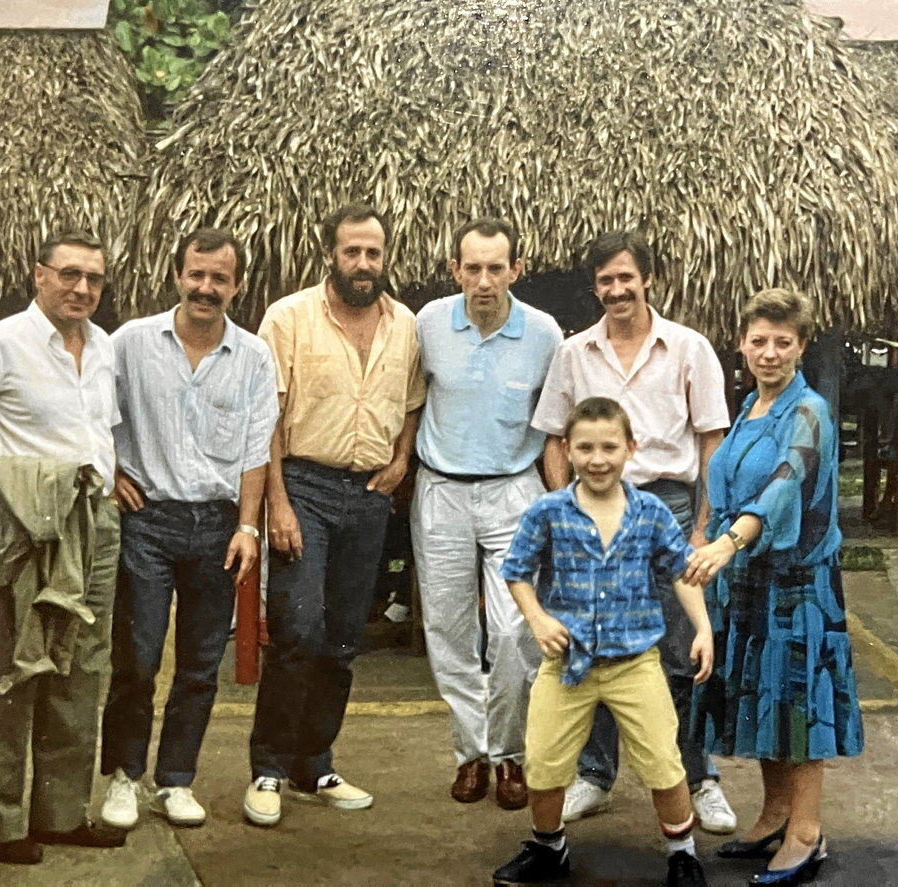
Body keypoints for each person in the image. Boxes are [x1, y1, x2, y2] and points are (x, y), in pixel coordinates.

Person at [530, 231, 735, 832]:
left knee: (679, 651)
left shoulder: (689, 348)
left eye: (626, 278)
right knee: (591, 644)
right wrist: (565, 510)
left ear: (647, 279)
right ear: (594, 287)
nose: (617, 290)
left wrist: (702, 526)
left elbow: (711, 444)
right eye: (605, 281)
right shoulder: (574, 354)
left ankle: (701, 780)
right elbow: (553, 438)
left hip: (667, 506)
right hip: (591, 510)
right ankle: (594, 777)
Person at [0, 231, 127, 864]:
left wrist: (110, 479)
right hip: (24, 525)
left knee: (80, 668)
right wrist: (16, 477)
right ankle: (0, 823)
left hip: (95, 526)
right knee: (14, 670)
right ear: (38, 274)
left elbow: (98, 432)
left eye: (94, 278)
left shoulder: (104, 348)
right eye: (69, 274)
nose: (82, 288)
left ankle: (61, 814)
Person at [243, 203, 426, 827]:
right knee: (297, 630)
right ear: (331, 252)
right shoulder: (289, 317)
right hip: (305, 485)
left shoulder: (403, 324)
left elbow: (410, 401)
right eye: (352, 252)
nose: (363, 264)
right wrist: (278, 504)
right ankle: (268, 768)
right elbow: (264, 416)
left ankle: (315, 764)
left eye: (373, 253)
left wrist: (401, 460)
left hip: (370, 495)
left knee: (344, 637)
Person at [98, 228, 277, 829]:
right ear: (177, 276)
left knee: (201, 665)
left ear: (237, 286)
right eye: (196, 275)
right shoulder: (130, 344)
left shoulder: (252, 356)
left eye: (219, 279)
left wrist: (248, 527)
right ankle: (124, 777)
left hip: (217, 526)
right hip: (147, 520)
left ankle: (176, 780)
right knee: (139, 659)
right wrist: (112, 471)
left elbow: (257, 449)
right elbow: (92, 410)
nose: (206, 288)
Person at [684, 288, 863, 886]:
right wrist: (709, 539)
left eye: (783, 343)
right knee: (764, 694)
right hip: (749, 579)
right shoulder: (748, 407)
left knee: (797, 702)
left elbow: (785, 485)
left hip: (797, 585)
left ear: (801, 346)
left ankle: (807, 834)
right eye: (758, 341)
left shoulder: (809, 411)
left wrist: (728, 542)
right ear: (741, 343)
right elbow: (726, 478)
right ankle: (774, 816)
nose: (769, 353)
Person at [494, 397, 712, 887]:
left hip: (635, 663)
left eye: (610, 447)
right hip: (567, 664)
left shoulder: (651, 512)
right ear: (568, 450)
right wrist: (537, 619)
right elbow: (516, 571)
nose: (598, 459)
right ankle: (549, 848)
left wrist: (702, 627)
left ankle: (683, 852)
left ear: (630, 449)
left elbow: (681, 571)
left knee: (663, 762)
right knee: (545, 766)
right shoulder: (549, 511)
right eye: (586, 448)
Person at [412, 217, 563, 810]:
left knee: (511, 630)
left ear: (515, 271)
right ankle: (470, 754)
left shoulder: (544, 333)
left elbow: (556, 423)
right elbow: (407, 402)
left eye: (495, 267)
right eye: (471, 267)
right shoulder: (427, 324)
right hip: (441, 489)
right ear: (455, 270)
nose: (483, 280)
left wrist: (558, 504)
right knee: (448, 629)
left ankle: (509, 755)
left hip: (513, 491)